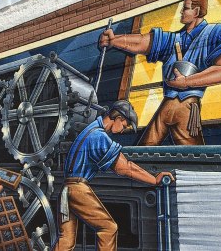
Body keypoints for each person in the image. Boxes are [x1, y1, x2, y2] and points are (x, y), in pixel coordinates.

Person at [100, 0, 221, 146]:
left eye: (185, 8)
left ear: (197, 11)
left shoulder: (216, 32)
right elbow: (144, 42)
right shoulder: (175, 39)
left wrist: (187, 82)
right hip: (167, 105)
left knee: (194, 157)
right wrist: (115, 41)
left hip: (187, 106)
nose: (181, 11)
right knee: (144, 152)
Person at [54, 100, 175, 251]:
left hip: (66, 190)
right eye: (124, 126)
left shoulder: (90, 130)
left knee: (66, 239)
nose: (123, 130)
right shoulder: (99, 136)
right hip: (77, 188)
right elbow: (124, 167)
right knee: (108, 228)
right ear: (119, 118)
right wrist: (154, 179)